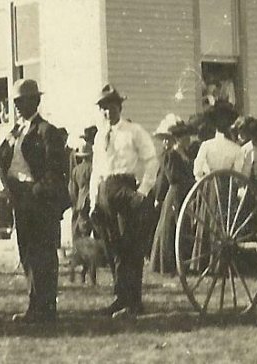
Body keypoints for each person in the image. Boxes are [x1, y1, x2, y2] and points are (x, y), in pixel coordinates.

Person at [0, 79, 69, 323]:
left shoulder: (47, 131)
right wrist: (8, 186)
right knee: (27, 252)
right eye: (15, 101)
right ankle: (34, 305)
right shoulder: (16, 131)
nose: (17, 106)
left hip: (40, 200)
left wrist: (37, 190)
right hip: (20, 198)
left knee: (44, 254)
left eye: (22, 101)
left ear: (35, 101)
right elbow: (0, 155)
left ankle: (46, 308)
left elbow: (57, 168)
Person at [89, 84, 158, 318]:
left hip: (125, 189)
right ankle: (120, 298)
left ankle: (133, 302)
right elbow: (96, 170)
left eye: (110, 107)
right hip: (104, 191)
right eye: (103, 108)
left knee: (130, 247)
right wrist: (92, 202)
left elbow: (151, 160)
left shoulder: (133, 131)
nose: (107, 112)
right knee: (112, 248)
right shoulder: (100, 136)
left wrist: (144, 190)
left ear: (119, 106)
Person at [150, 118, 196, 274]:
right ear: (178, 139)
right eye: (185, 137)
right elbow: (172, 177)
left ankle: (183, 262)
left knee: (183, 226)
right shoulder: (171, 155)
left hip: (186, 192)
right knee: (171, 227)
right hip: (176, 193)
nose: (188, 140)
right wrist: (190, 181)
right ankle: (167, 265)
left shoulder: (186, 154)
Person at [193, 103, 244, 181]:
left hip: (210, 184)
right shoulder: (237, 149)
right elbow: (238, 173)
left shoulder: (206, 145)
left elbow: (197, 170)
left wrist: (203, 177)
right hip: (228, 187)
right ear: (229, 125)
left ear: (214, 126)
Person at [69, 142, 94, 240]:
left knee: (83, 228)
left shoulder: (76, 170)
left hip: (81, 200)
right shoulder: (93, 168)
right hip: (92, 198)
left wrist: (76, 201)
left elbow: (73, 189)